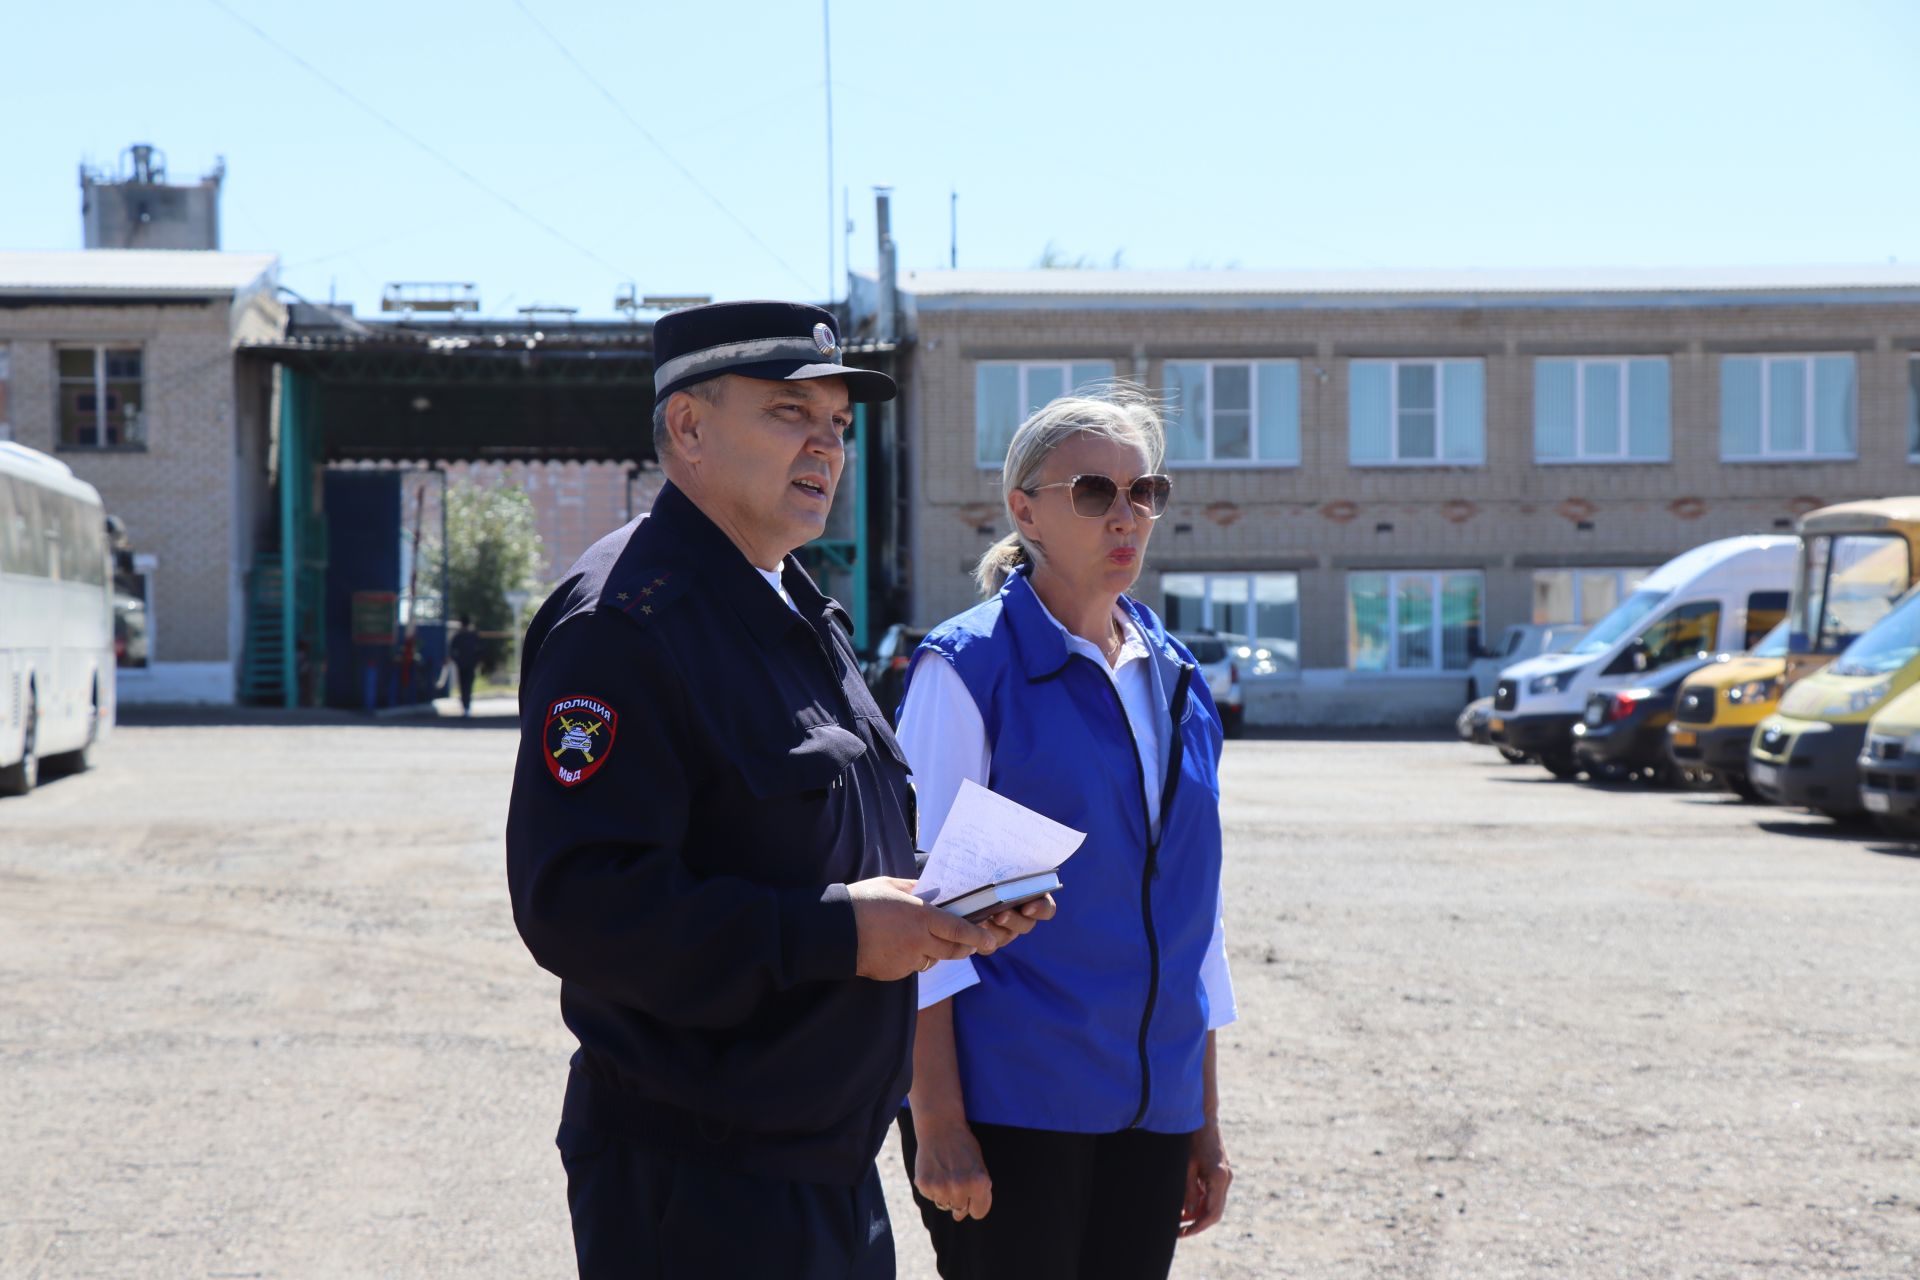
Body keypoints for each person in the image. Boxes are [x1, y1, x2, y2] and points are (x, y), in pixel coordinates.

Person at [504, 300, 1051, 1280]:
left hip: (827, 1160)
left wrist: (945, 900)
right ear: (689, 427)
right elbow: (579, 904)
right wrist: (837, 931)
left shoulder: (795, 604)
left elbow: (817, 841)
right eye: (790, 413)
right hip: (700, 1178)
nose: (826, 447)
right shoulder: (625, 624)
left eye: (838, 425)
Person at [894, 384, 1236, 1279]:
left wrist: (1199, 1116)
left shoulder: (1177, 678)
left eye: (1145, 492)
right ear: (1025, 511)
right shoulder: (968, 671)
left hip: (1151, 1113)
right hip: (1011, 1108)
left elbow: (1195, 918)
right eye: (1093, 492)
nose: (1125, 516)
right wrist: (936, 1121)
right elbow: (919, 917)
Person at [448, 614, 482, 716]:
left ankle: (465, 705)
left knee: (463, 686)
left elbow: (452, 651)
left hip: (462, 664)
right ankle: (467, 705)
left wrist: (457, 660)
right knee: (468, 685)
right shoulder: (473, 636)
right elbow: (481, 650)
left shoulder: (458, 637)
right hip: (470, 664)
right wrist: (476, 661)